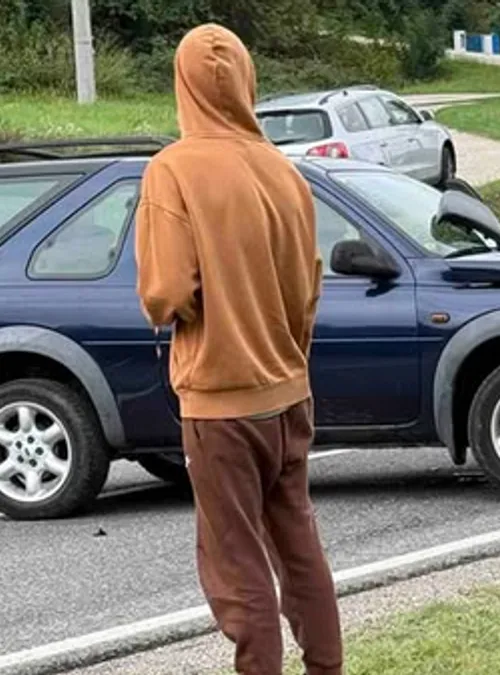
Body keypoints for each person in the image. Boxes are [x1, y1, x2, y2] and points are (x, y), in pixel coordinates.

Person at [134, 23, 342, 675]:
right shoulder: (285, 172)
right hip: (289, 393)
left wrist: (192, 311)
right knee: (298, 544)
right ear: (248, 82)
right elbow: (308, 290)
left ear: (183, 86)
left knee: (237, 559)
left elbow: (164, 293)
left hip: (220, 404)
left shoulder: (173, 170)